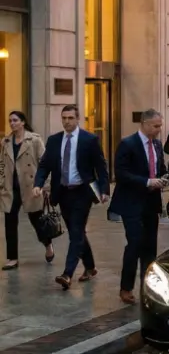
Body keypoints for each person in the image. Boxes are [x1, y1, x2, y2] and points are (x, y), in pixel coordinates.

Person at [33, 104, 110, 290]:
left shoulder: (89, 140)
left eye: (70, 118)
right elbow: (44, 165)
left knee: (76, 233)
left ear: (77, 119)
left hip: (82, 192)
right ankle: (90, 267)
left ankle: (67, 274)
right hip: (63, 192)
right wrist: (38, 183)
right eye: (64, 118)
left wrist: (104, 189)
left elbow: (100, 166)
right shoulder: (54, 140)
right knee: (78, 232)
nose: (66, 121)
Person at [110, 109, 168, 305]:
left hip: (152, 203)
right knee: (134, 243)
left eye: (160, 126)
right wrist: (147, 182)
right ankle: (126, 288)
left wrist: (163, 179)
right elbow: (121, 173)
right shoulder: (128, 144)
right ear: (144, 124)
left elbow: (161, 169)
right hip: (131, 203)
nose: (159, 130)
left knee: (150, 247)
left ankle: (148, 286)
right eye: (156, 126)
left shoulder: (158, 145)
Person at [1, 111, 50, 269]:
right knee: (9, 222)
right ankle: (12, 258)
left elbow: (44, 163)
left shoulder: (34, 140)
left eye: (15, 120)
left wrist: (44, 186)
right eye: (10, 121)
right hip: (11, 188)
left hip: (31, 187)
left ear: (22, 122)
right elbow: (2, 165)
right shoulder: (6, 142)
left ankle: (48, 245)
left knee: (37, 221)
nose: (12, 123)